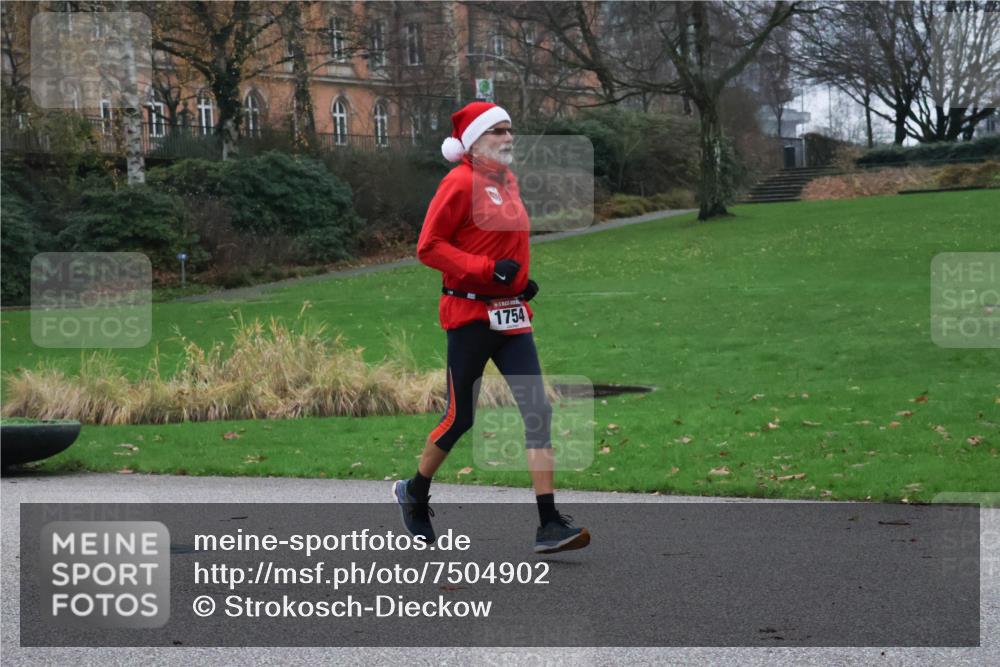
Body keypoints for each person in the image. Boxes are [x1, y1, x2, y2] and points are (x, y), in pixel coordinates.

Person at [392, 101, 590, 555]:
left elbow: (508, 245)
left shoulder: (508, 182)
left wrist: (519, 282)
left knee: (538, 410)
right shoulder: (458, 183)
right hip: (469, 317)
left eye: (509, 129)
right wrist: (487, 270)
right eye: (498, 130)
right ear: (474, 141)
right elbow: (429, 247)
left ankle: (548, 524)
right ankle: (414, 492)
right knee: (460, 417)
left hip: (511, 316)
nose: (508, 137)